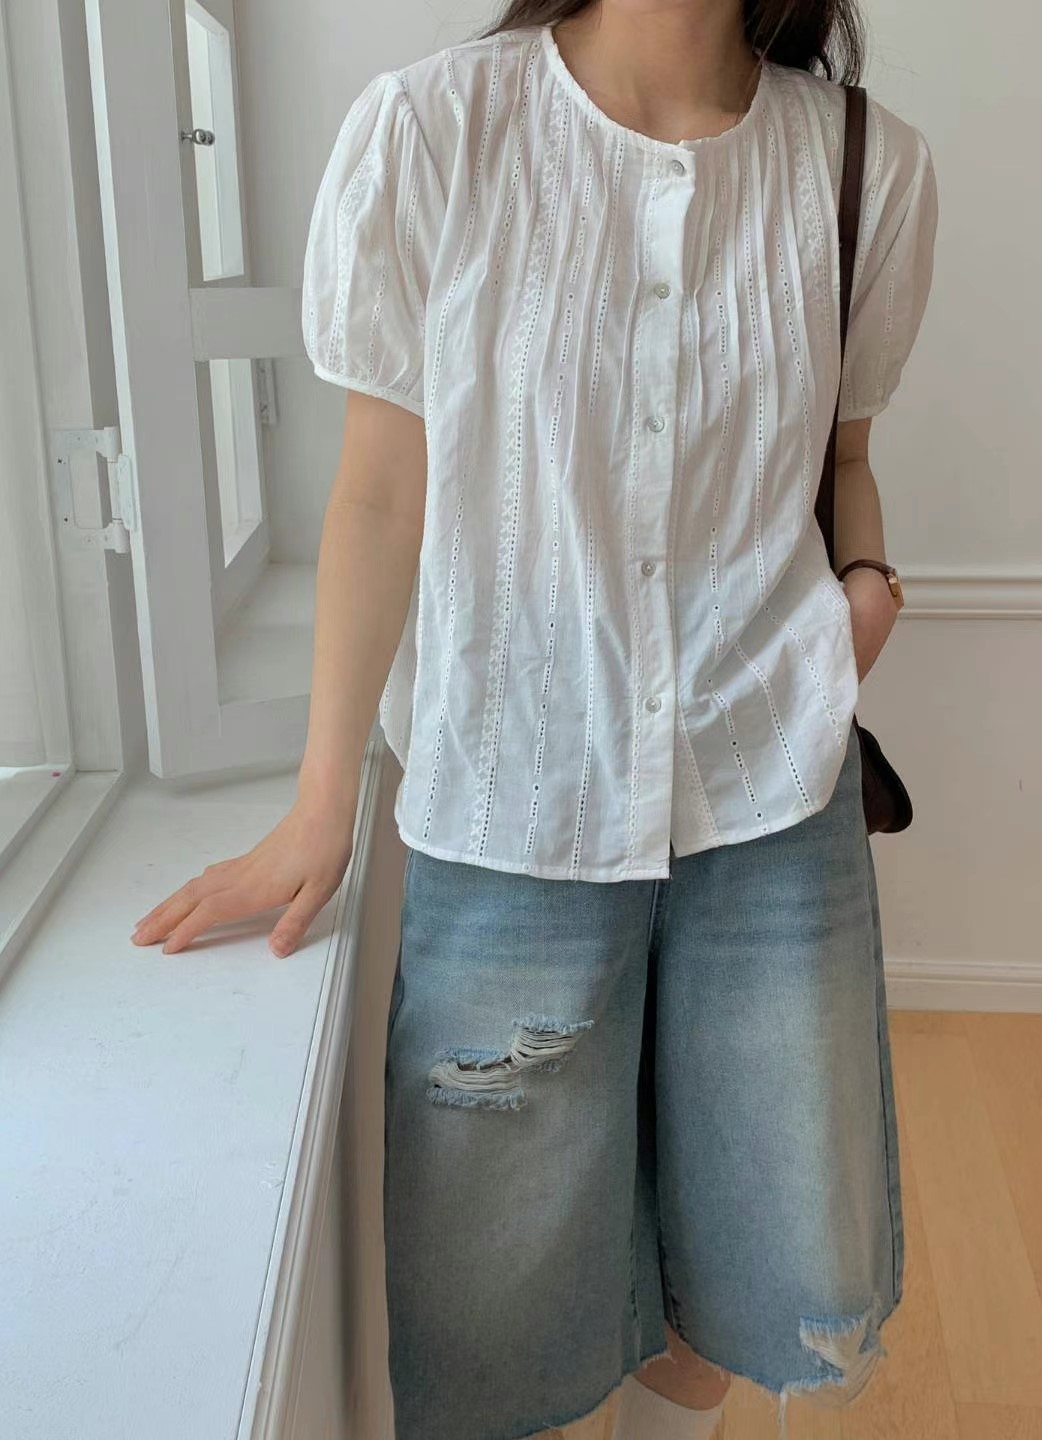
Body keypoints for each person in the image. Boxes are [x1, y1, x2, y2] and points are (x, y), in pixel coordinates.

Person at [131, 2, 938, 1437]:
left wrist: (866, 588)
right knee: (498, 1316)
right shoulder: (433, 131)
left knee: (738, 1269)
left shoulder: (864, 164)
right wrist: (321, 801)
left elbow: (848, 453)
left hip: (770, 804)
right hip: (512, 807)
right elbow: (380, 492)